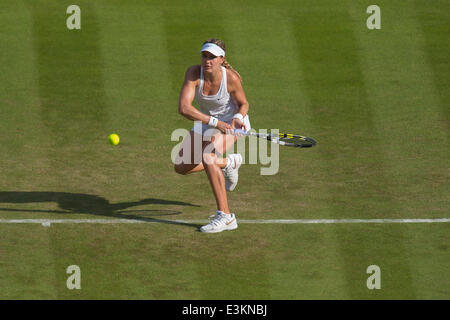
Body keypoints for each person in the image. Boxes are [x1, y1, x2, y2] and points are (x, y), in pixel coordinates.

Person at [174, 38, 251, 233]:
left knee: (208, 157)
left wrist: (237, 118)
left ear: (222, 59)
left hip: (232, 124)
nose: (207, 60)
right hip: (209, 122)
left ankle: (226, 216)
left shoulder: (231, 78)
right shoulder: (193, 74)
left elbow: (244, 104)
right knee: (181, 167)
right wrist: (216, 123)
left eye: (212, 57)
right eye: (204, 56)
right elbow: (184, 108)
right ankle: (228, 163)